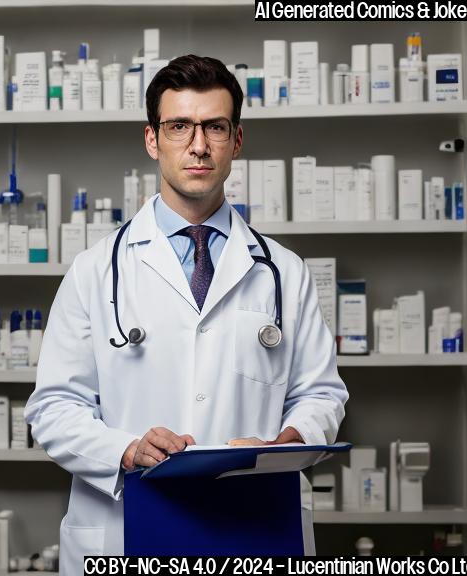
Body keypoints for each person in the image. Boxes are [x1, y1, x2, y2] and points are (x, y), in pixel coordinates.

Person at [25, 55, 349, 572]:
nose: (198, 145)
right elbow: (53, 409)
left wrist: (287, 442)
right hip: (127, 524)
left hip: (254, 523)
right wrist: (127, 449)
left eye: (214, 127)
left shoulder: (283, 272)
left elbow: (322, 394)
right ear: (153, 139)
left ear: (236, 140)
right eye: (179, 126)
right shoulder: (94, 271)